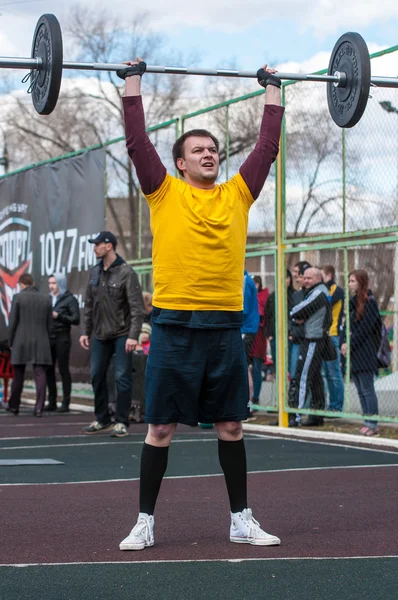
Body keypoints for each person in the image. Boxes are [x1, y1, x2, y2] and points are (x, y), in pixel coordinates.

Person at [116, 57, 284, 550]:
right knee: (161, 428)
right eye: (198, 150)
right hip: (172, 328)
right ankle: (144, 522)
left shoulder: (238, 194)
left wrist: (272, 88)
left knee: (231, 425)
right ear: (181, 162)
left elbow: (267, 147)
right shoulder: (162, 192)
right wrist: (132, 81)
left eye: (213, 149)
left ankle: (241, 519)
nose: (209, 154)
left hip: (223, 330)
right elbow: (136, 142)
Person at [79, 231, 145, 438]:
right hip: (99, 334)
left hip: (122, 334)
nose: (94, 248)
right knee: (97, 375)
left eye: (97, 244)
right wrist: (85, 332)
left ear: (109, 246)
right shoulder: (94, 272)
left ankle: (122, 422)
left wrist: (133, 336)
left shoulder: (126, 272)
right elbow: (89, 305)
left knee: (121, 378)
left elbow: (137, 308)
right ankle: (102, 419)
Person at [288, 268, 332, 427]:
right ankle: (317, 414)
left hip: (313, 338)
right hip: (314, 337)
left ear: (318, 278)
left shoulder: (318, 292)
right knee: (315, 378)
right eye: (304, 278)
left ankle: (295, 415)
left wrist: (296, 315)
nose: (305, 281)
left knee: (303, 376)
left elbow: (297, 310)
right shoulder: (316, 291)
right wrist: (298, 316)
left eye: (309, 278)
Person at [340, 270, 381, 436]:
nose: (349, 284)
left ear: (361, 282)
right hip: (354, 353)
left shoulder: (370, 303)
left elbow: (365, 329)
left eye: (352, 281)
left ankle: (373, 423)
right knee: (359, 389)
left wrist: (350, 343)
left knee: (367, 389)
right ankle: (367, 420)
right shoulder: (352, 302)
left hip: (365, 352)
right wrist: (343, 342)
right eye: (349, 281)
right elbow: (345, 324)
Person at [6, 273, 52, 417]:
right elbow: (50, 325)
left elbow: (13, 322)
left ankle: (14, 406)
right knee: (40, 374)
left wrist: (10, 341)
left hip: (21, 341)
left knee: (18, 375)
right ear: (32, 283)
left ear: (21, 284)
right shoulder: (46, 299)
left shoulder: (18, 298)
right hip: (41, 341)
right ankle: (39, 408)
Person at [46, 273, 80, 413]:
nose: (51, 286)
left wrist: (58, 316)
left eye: (54, 283)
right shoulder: (48, 299)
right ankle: (52, 401)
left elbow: (75, 319)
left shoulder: (69, 299)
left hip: (62, 337)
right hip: (49, 337)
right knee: (49, 370)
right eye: (50, 283)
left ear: (60, 283)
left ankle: (66, 402)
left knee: (63, 370)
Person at [321, 265, 345, 412]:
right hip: (322, 335)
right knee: (324, 373)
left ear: (328, 275)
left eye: (321, 275)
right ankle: (329, 404)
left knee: (333, 373)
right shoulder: (322, 290)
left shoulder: (336, 290)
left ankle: (336, 406)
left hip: (333, 334)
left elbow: (324, 304)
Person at [250, 276, 269, 407]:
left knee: (256, 368)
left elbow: (261, 314)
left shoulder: (262, 297)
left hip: (258, 338)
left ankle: (255, 397)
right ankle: (250, 398)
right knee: (248, 370)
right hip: (250, 336)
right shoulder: (254, 297)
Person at [242, 270, 260, 408]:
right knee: (243, 366)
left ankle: (247, 404)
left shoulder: (244, 281)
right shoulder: (245, 280)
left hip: (245, 329)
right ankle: (245, 403)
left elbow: (243, 309)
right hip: (245, 328)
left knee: (242, 367)